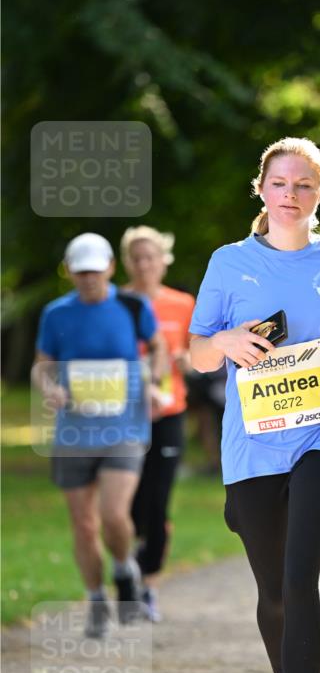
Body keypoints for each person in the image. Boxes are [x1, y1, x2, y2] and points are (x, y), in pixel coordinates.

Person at [189, 137, 320, 673]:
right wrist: (228, 338)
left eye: (303, 185)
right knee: (273, 590)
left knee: (301, 576)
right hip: (254, 442)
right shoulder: (227, 261)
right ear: (261, 189)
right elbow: (196, 353)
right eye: (280, 183)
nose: (290, 195)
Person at [32, 233, 167, 638]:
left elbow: (158, 347)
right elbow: (42, 364)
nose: (89, 279)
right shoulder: (56, 314)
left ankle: (125, 567)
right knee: (84, 525)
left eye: (95, 270)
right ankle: (95, 599)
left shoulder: (132, 305)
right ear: (70, 273)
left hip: (124, 428)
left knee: (113, 514)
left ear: (110, 268)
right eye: (81, 272)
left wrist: (155, 380)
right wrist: (51, 387)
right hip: (74, 432)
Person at [121, 225, 196, 622]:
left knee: (158, 500)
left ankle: (148, 585)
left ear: (163, 260)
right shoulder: (117, 302)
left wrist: (187, 359)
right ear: (127, 263)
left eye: (151, 256)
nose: (145, 264)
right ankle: (131, 564)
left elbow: (200, 350)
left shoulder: (183, 303)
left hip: (169, 411)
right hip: (124, 413)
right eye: (137, 257)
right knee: (126, 503)